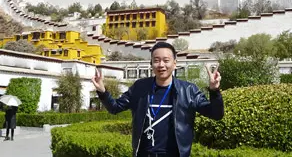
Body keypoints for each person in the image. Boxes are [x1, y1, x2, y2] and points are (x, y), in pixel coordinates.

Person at [92, 42, 224, 157]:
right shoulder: (140, 88)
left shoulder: (189, 90)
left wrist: (214, 91)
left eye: (166, 60)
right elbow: (115, 108)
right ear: (151, 64)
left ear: (174, 64)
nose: (161, 65)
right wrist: (102, 91)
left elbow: (216, 114)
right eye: (156, 60)